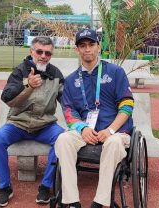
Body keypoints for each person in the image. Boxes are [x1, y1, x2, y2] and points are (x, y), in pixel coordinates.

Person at [55, 29, 134, 208]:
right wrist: (82, 128)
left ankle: (100, 202)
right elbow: (68, 112)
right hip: (86, 131)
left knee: (113, 143)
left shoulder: (115, 72)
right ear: (77, 50)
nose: (87, 49)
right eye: (82, 46)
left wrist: (110, 130)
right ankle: (72, 201)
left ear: (99, 47)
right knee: (63, 140)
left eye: (91, 44)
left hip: (115, 132)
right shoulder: (71, 80)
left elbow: (127, 106)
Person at [0, 36, 65, 207]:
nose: (43, 56)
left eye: (47, 53)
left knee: (62, 138)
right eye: (39, 51)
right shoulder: (19, 71)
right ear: (31, 52)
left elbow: (68, 101)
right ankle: (5, 187)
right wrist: (28, 85)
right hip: (18, 124)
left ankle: (46, 186)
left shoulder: (56, 74)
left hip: (44, 125)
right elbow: (7, 98)